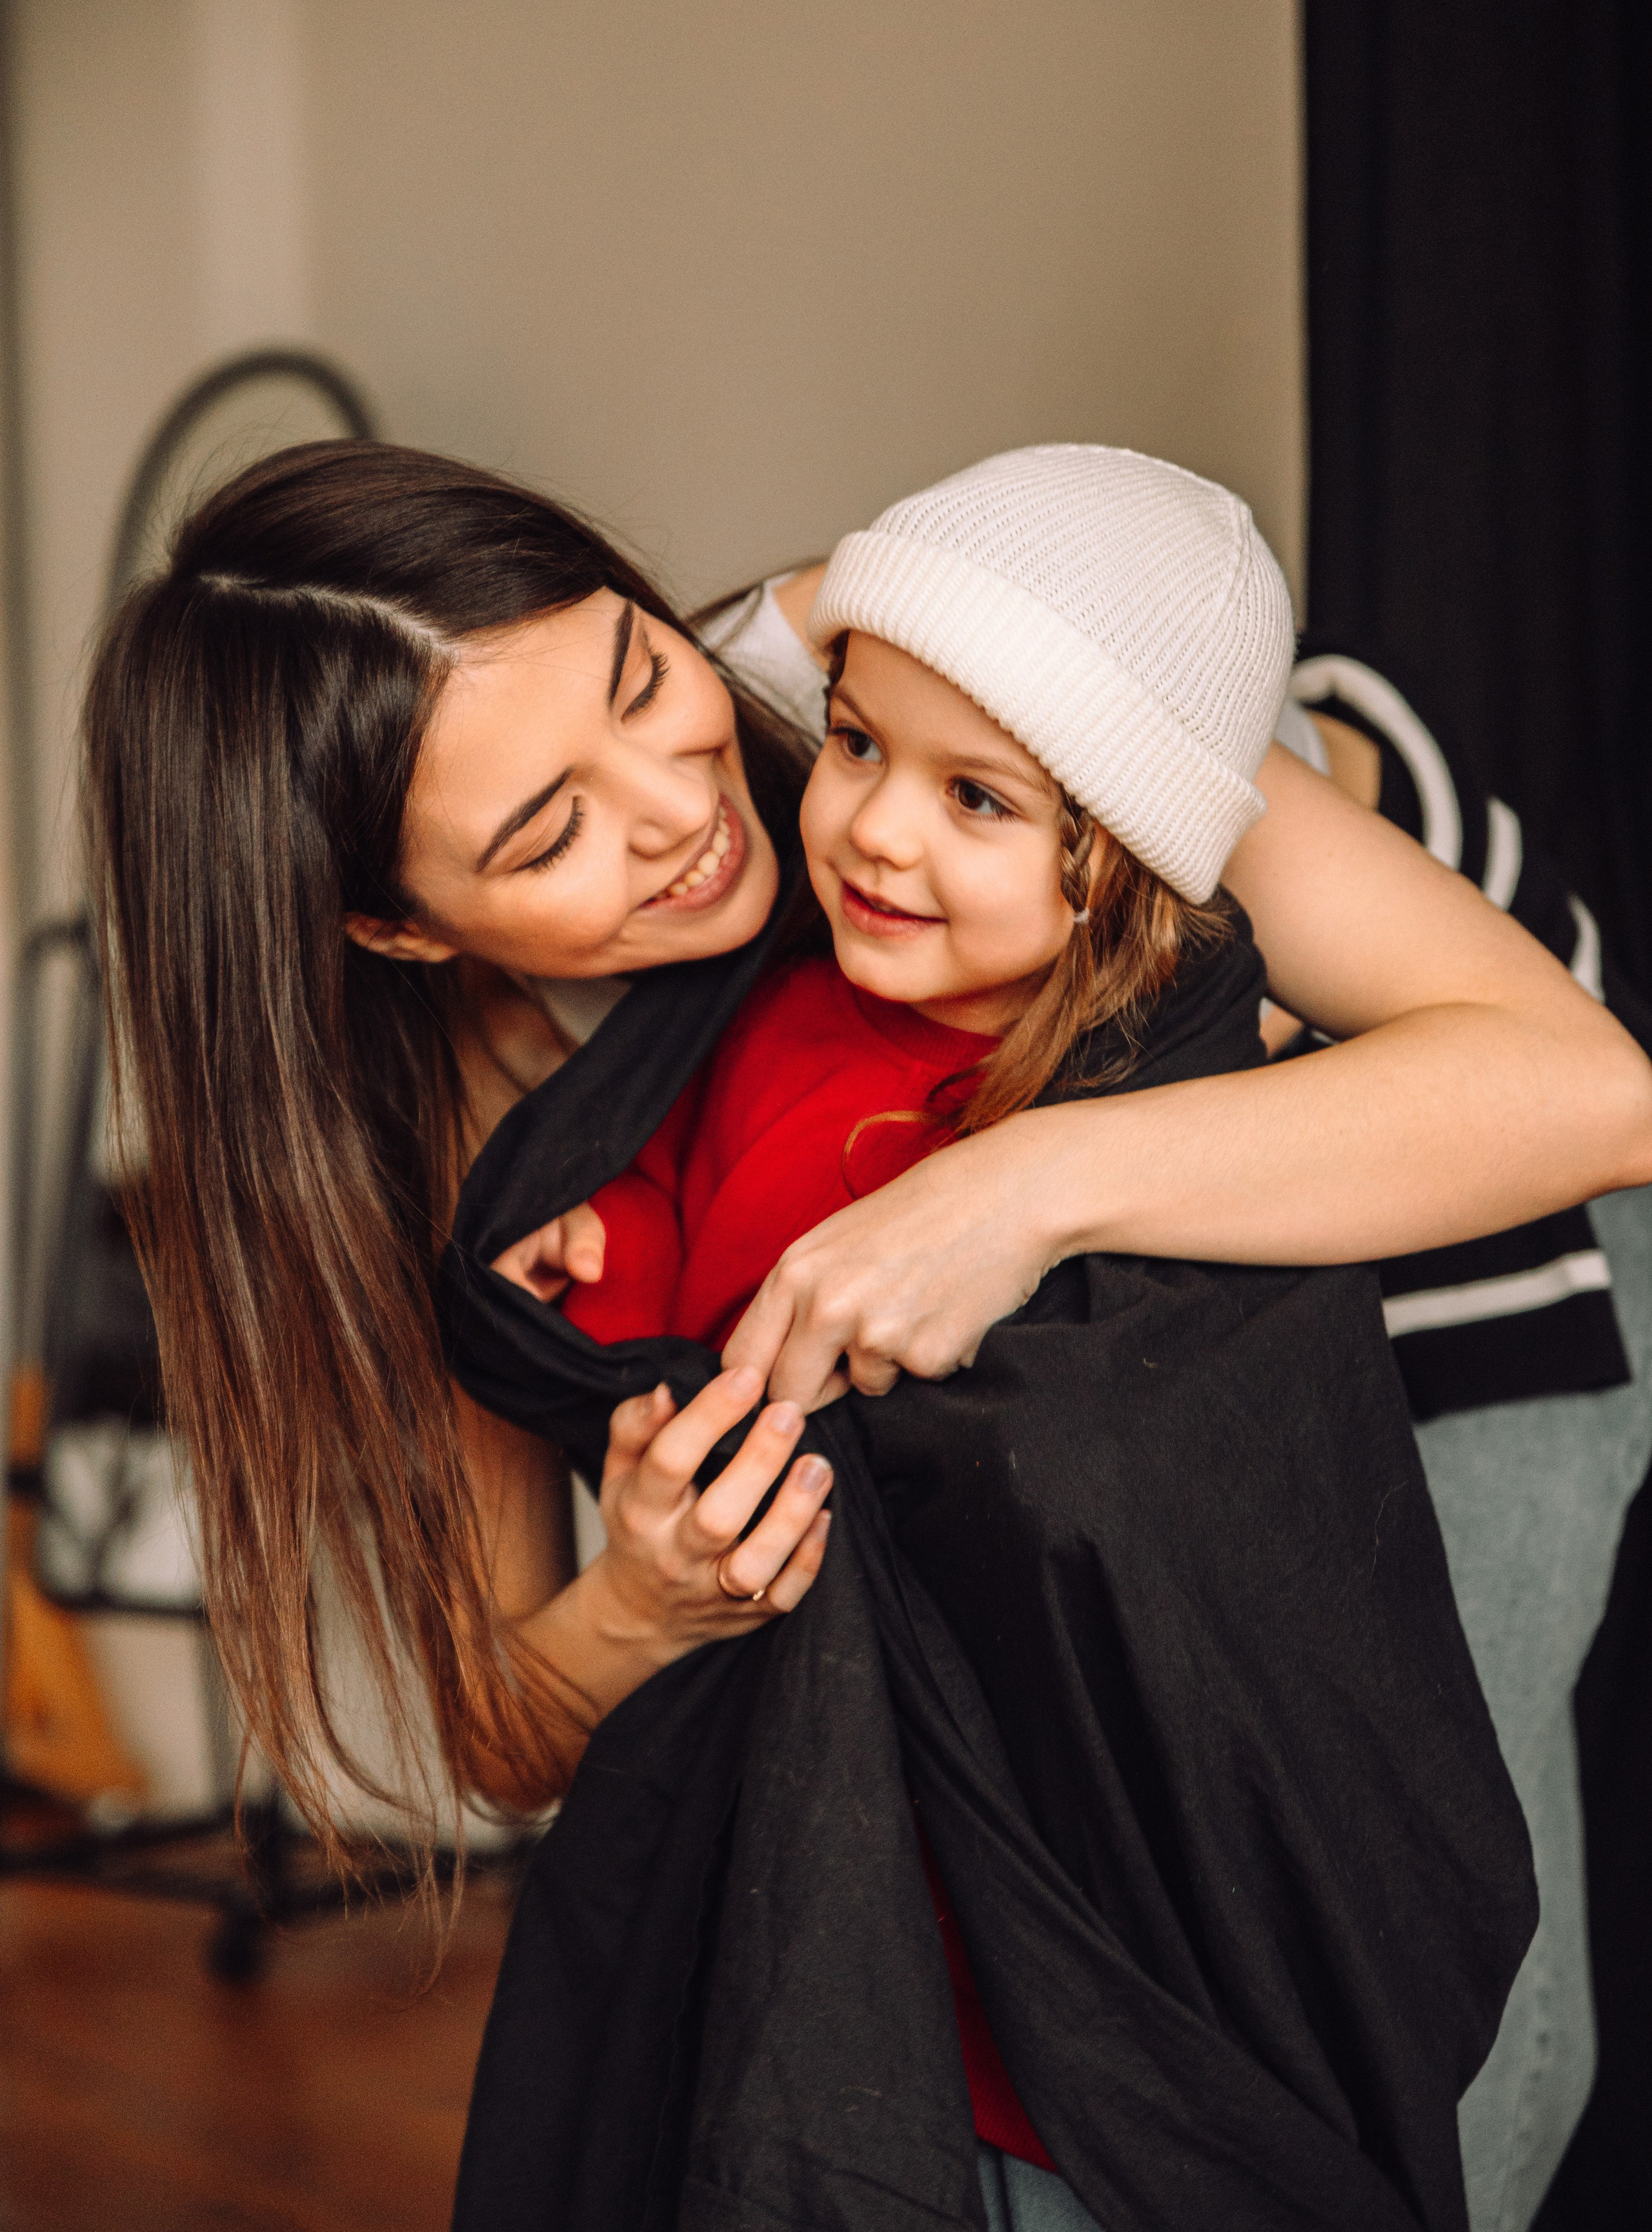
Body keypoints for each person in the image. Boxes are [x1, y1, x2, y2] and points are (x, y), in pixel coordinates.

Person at [78, 441, 1649, 2213]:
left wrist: (1010, 1188)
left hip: (1438, 1168)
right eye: (548, 833)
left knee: (1428, 2044)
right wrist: (640, 1599)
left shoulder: (928, 670)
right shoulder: (480, 1154)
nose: (677, 807)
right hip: (1042, 1446)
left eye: (640, 676)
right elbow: (499, 1721)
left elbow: (1588, 1095)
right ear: (399, 927)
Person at [442, 447, 1534, 2231]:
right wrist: (595, 1243)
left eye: (978, 804)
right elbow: (690, 1282)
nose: (869, 828)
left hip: (1096, 1882)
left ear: (1114, 873)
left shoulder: (1139, 1077)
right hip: (863, 1855)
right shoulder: (757, 1007)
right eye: (856, 749)